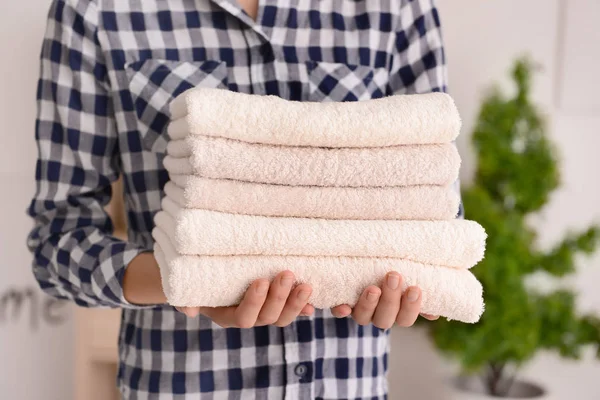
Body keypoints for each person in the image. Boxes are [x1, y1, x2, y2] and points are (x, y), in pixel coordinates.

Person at [27, 0, 458, 397]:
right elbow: (59, 238)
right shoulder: (96, 10)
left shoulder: (398, 7)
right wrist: (190, 281)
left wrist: (414, 284)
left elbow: (434, 210)